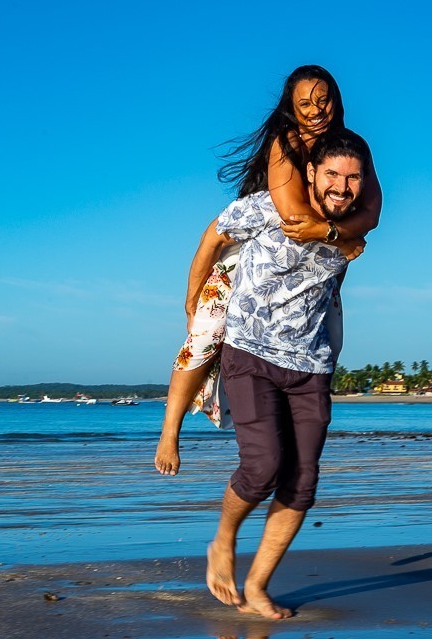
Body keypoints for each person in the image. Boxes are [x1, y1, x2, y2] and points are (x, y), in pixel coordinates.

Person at [154, 65, 381, 475]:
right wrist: (343, 236)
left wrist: (338, 233)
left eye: (323, 99)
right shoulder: (286, 143)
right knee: (204, 336)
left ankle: (288, 429)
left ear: (337, 99)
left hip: (313, 268)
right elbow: (294, 217)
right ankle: (170, 431)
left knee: (327, 345)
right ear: (291, 109)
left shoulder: (351, 148)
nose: (316, 110)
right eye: (305, 103)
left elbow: (372, 213)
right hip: (255, 251)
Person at [193, 128, 372, 619]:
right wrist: (192, 301)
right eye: (332, 173)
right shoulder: (267, 207)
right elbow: (213, 236)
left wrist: (345, 238)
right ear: (311, 172)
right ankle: (223, 540)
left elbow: (345, 258)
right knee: (263, 466)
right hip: (249, 354)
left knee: (303, 484)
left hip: (311, 366)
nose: (341, 185)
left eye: (353, 177)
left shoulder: (352, 232)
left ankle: (257, 586)